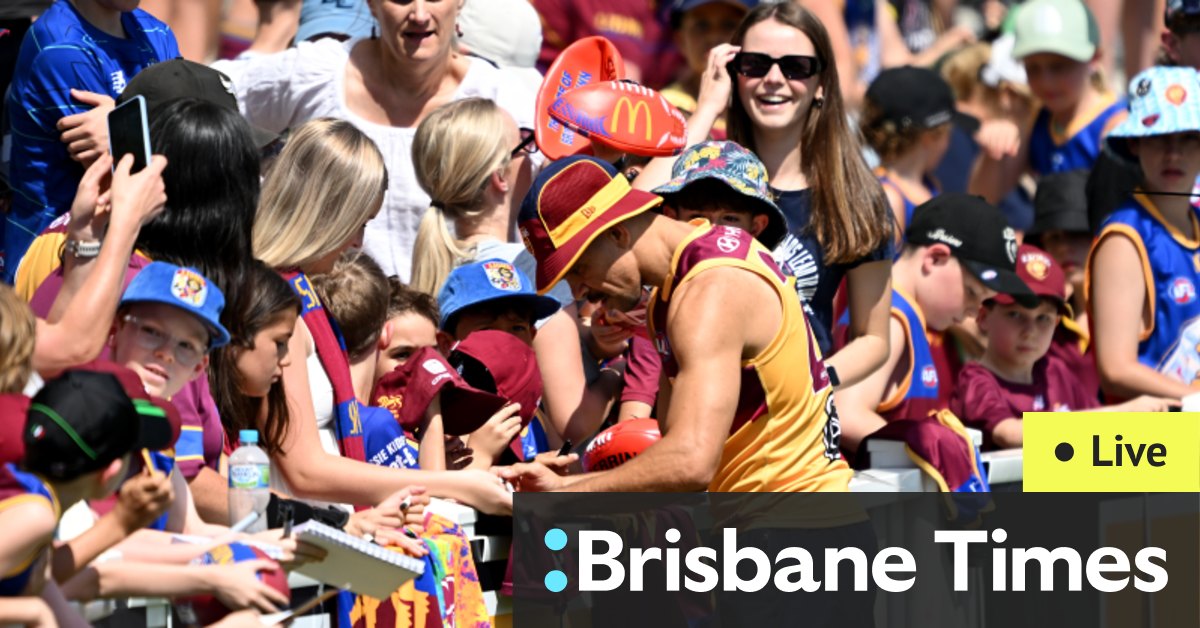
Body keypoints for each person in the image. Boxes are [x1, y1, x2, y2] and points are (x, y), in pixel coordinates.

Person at [507, 155, 851, 493]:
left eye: (579, 268)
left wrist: (567, 493)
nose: (580, 290)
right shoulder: (678, 285)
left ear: (617, 233)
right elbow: (676, 448)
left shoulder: (710, 290)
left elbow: (691, 462)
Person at [251, 118, 513, 514]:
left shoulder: (302, 298)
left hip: (332, 532)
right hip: (308, 543)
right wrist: (454, 484)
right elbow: (306, 470)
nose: (358, 241)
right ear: (323, 215)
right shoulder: (272, 303)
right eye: (358, 223)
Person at [29, 99, 258, 525]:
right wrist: (125, 222)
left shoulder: (85, 258)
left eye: (188, 347)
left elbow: (189, 524)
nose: (168, 353)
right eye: (151, 332)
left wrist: (86, 233)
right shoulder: (130, 278)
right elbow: (68, 348)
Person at [647, 1, 895, 389]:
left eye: (795, 67)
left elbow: (874, 338)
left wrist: (813, 383)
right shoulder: (701, 170)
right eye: (756, 65)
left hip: (793, 427)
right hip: (696, 401)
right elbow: (627, 214)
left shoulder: (853, 194)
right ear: (735, 74)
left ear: (821, 84)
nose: (774, 78)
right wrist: (709, 106)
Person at [214, 0, 539, 281]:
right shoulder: (319, 73)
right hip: (322, 328)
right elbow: (201, 90)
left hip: (454, 334)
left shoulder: (504, 102)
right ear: (371, 3)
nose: (420, 14)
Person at [408, 98, 623, 443]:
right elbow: (574, 422)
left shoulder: (433, 262)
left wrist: (595, 344)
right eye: (526, 143)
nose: (536, 157)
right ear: (500, 177)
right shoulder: (526, 270)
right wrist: (618, 373)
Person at [834, 193, 1036, 453]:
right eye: (972, 292)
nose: (975, 312)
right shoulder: (892, 319)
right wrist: (938, 454)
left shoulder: (896, 312)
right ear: (935, 258)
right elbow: (846, 415)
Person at [3, 0, 178, 278]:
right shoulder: (60, 48)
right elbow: (123, 185)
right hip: (54, 255)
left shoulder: (157, 33)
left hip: (133, 241)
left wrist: (124, 126)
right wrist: (143, 131)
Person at [952, 243, 1174, 450]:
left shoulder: (1054, 371)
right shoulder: (976, 381)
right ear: (983, 317)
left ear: (1057, 322)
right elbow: (1008, 434)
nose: (1030, 331)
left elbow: (1093, 423)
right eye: (1015, 314)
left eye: (1043, 319)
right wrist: (1123, 412)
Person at [0, 369, 176, 625]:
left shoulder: (27, 490)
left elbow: (39, 578)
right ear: (112, 470)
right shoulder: (34, 514)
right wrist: (34, 612)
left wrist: (122, 522)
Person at [1088, 65, 1200, 400]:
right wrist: (1193, 398)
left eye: (1189, 138)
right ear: (1135, 143)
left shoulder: (1195, 221)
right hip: (1151, 444)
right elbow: (1115, 370)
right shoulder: (1124, 239)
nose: (1174, 154)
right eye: (1159, 137)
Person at [970, 0, 1124, 205]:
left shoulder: (1115, 125)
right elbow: (982, 198)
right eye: (1033, 68)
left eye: (1059, 66)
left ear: (1094, 58)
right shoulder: (1037, 120)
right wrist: (994, 153)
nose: (1045, 81)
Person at [860, 66, 959, 242]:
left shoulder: (929, 184)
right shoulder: (888, 198)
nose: (949, 143)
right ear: (930, 136)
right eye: (948, 134)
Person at [661, 0, 756, 140]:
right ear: (680, 40)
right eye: (701, 26)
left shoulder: (765, 103)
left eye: (729, 25)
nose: (714, 37)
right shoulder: (663, 108)